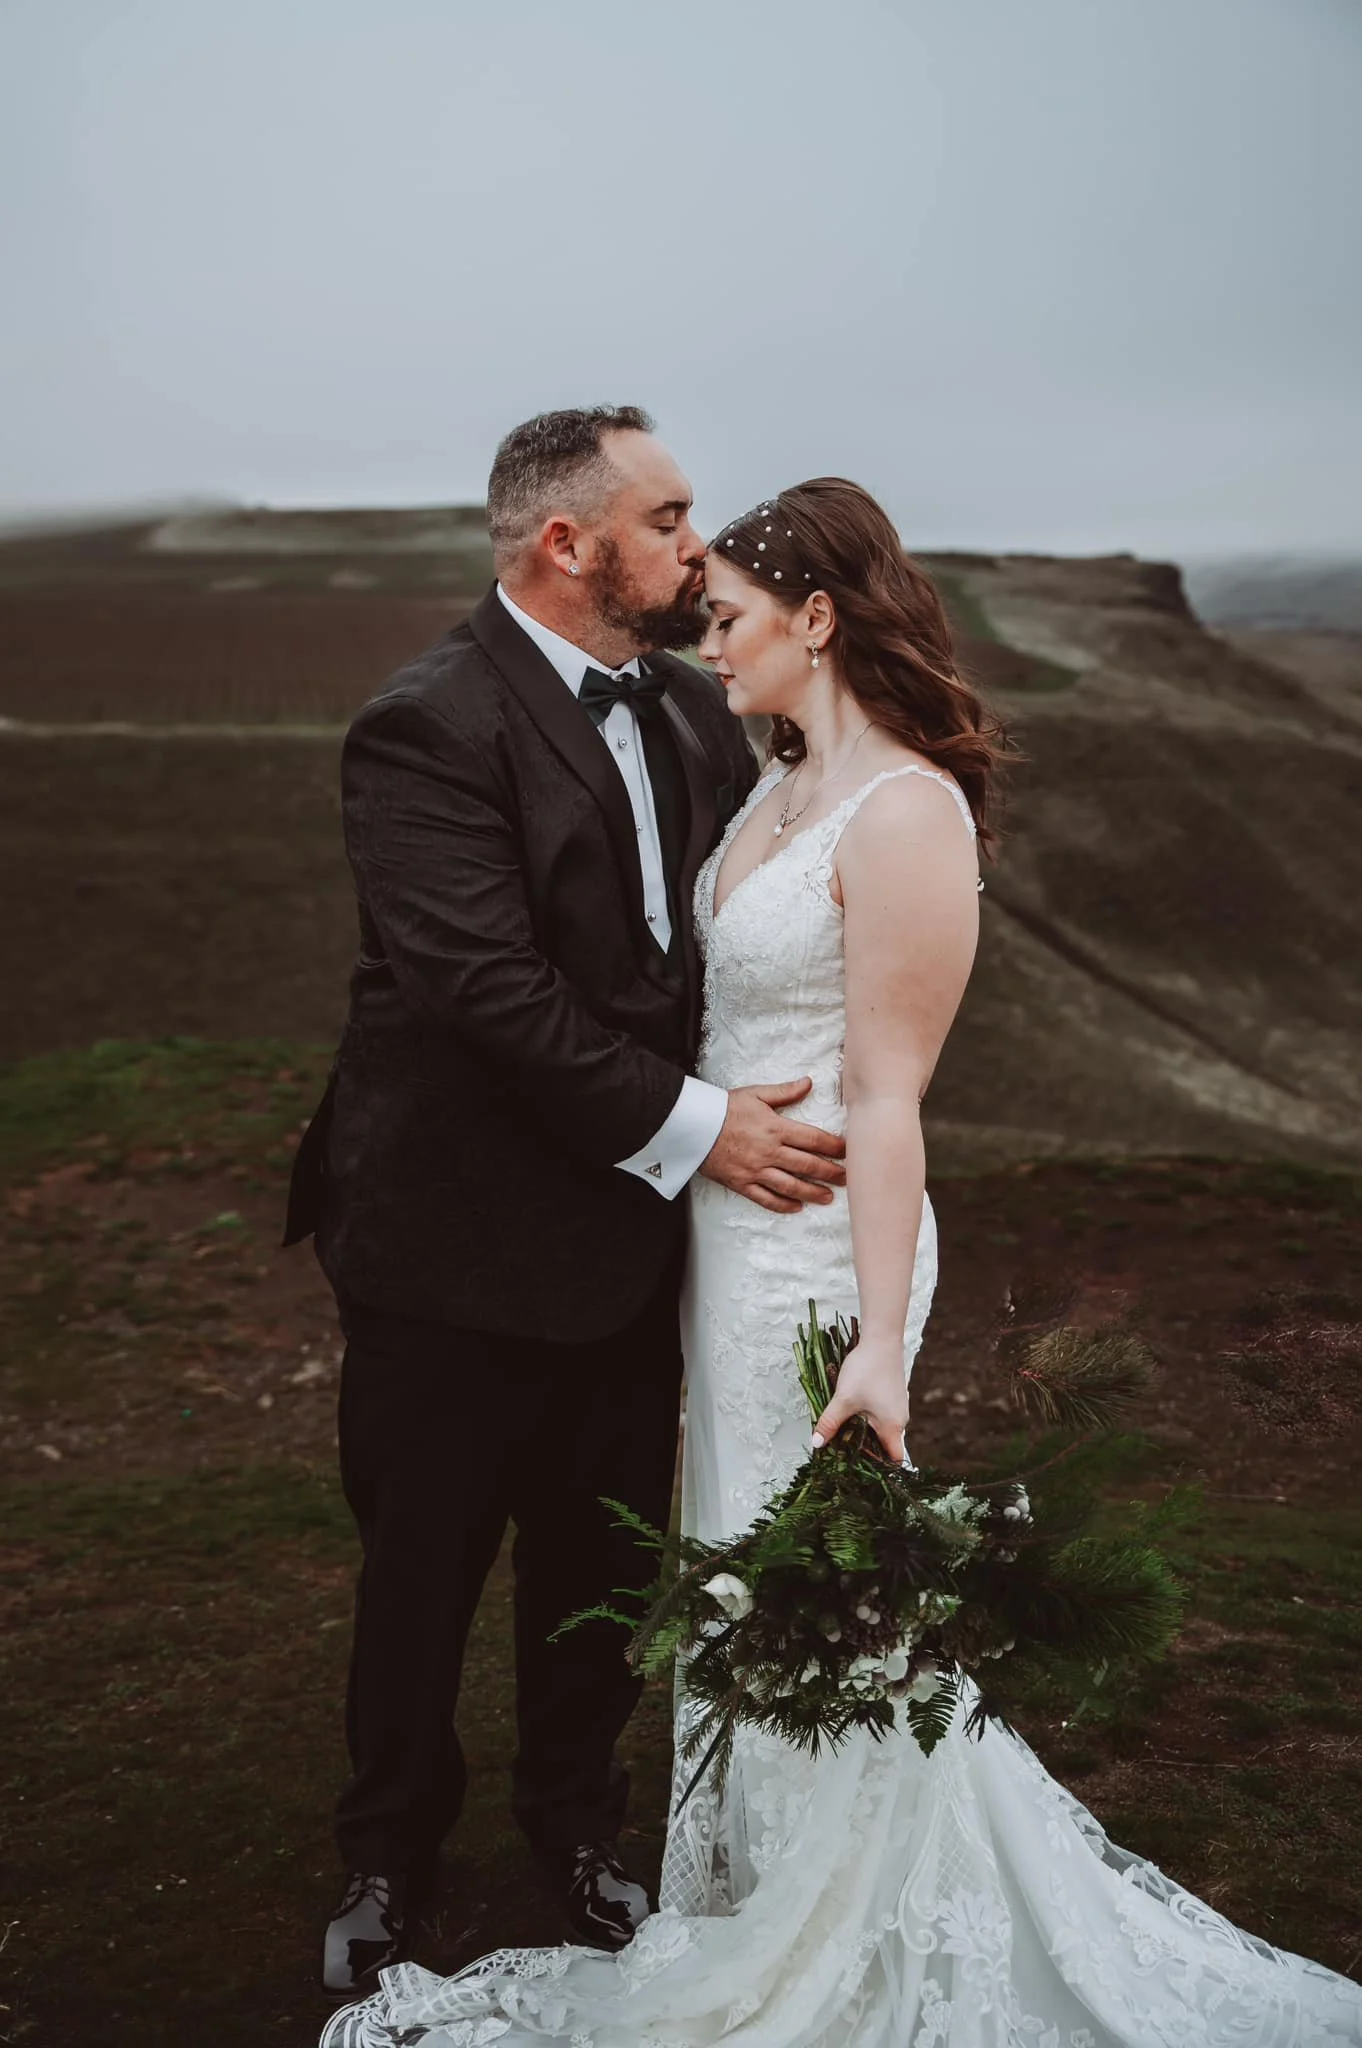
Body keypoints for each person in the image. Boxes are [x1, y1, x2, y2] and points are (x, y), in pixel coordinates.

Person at [321, 478, 1362, 2046]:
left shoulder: (900, 807)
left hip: (814, 1253)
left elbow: (887, 1100)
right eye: (680, 555)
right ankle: (736, 1881)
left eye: (728, 607)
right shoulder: (762, 775)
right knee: (729, 1579)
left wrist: (881, 1341)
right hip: (693, 1241)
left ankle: (856, 1910)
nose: (700, 624)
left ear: (815, 619)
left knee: (817, 1593)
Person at [284, 408, 850, 1999]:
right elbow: (483, 991)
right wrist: (705, 1131)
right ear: (566, 542)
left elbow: (692, 957)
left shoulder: (682, 709)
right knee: (422, 1564)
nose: (696, 542)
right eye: (668, 517)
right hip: (448, 1241)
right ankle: (387, 1852)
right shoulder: (424, 726)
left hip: (625, 1242)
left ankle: (576, 1825)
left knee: (595, 1565)